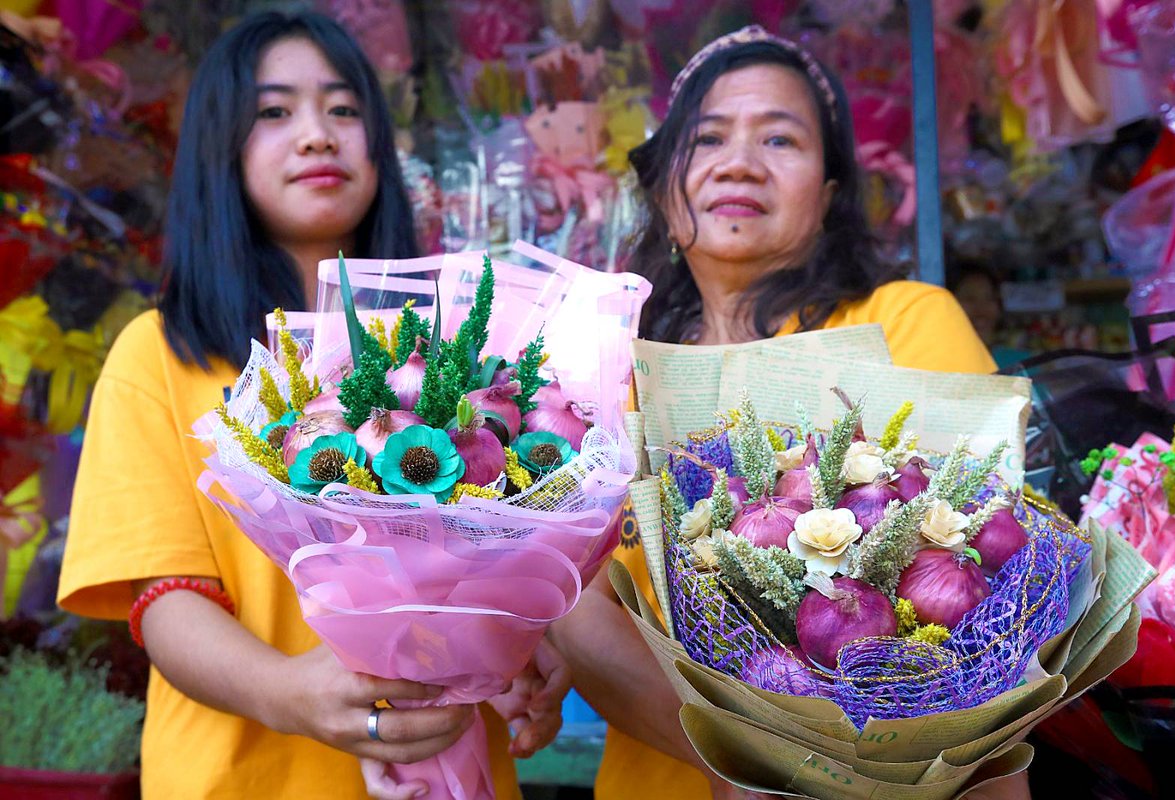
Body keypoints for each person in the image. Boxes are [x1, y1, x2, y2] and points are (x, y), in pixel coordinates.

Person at [57, 11, 565, 800]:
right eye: (274, 111)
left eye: (343, 109)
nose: (318, 135)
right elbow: (163, 600)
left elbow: (498, 554)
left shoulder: (444, 357)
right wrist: (293, 694)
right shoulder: (158, 356)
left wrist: (516, 649)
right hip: (241, 779)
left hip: (449, 768)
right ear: (220, 149)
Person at [548, 25, 1023, 800]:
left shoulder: (901, 323)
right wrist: (746, 764)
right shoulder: (615, 378)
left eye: (780, 138)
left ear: (829, 195)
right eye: (708, 138)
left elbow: (987, 577)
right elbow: (575, 612)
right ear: (664, 189)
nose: (739, 162)